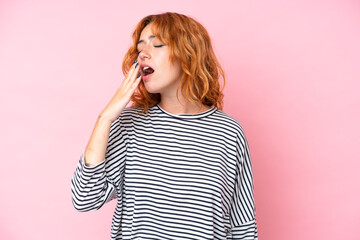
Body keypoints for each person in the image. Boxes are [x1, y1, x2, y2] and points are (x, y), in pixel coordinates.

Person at [71, 12, 258, 240]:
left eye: (157, 44)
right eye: (140, 49)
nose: (143, 55)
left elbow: (243, 227)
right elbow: (84, 199)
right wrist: (105, 118)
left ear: (188, 54)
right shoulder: (129, 124)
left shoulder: (229, 133)